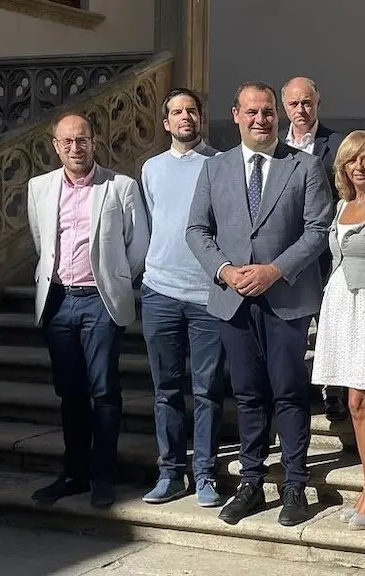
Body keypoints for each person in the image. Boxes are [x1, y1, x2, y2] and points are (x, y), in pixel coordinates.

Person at [185, 81, 332, 527]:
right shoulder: (215, 169)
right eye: (251, 112)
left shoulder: (304, 167)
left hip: (285, 298)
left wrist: (274, 270)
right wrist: (225, 270)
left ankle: (294, 485)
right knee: (248, 394)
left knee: (288, 392)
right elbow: (196, 230)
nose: (260, 119)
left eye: (267, 112)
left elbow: (317, 229)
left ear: (277, 115)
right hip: (232, 299)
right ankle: (250, 480)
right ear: (235, 115)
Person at [27, 112, 149, 508]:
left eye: (82, 140)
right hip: (59, 301)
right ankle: (74, 473)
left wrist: (113, 279)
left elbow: (139, 245)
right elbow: (41, 241)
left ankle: (103, 476)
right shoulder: (39, 188)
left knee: (104, 391)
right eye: (67, 142)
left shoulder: (120, 186)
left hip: (99, 301)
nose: (75, 148)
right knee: (70, 392)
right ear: (56, 145)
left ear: (94, 142)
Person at [138, 88, 226, 508]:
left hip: (208, 293)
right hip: (159, 291)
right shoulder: (151, 169)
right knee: (166, 388)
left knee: (207, 389)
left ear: (201, 118)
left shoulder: (221, 165)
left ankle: (205, 473)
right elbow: (154, 220)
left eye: (191, 110)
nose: (185, 117)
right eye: (176, 112)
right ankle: (171, 471)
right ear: (165, 122)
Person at [310, 130, 365, 530]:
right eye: (352, 160)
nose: (359, 167)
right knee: (352, 403)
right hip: (341, 305)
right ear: (342, 167)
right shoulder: (343, 205)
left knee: (364, 402)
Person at [281, 76, 349, 423]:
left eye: (306, 102)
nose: (301, 110)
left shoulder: (336, 145)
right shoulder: (275, 145)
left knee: (329, 324)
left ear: (318, 102)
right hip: (285, 252)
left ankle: (333, 392)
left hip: (325, 251)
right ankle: (293, 390)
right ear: (284, 107)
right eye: (294, 104)